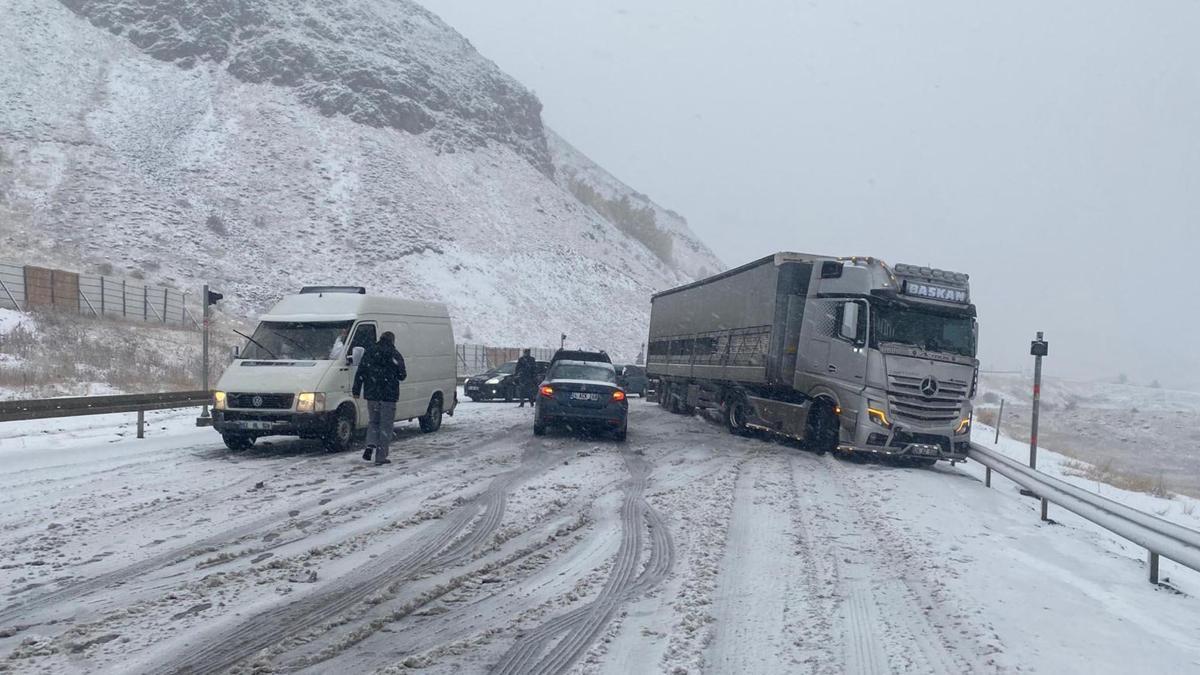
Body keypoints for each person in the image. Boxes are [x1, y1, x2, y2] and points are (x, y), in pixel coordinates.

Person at [352, 332, 406, 464]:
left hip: (372, 395)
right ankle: (381, 457)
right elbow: (402, 375)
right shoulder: (395, 354)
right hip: (388, 396)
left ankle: (370, 444)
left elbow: (361, 372)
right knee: (385, 426)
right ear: (392, 340)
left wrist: (356, 390)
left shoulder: (370, 352)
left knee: (373, 422)